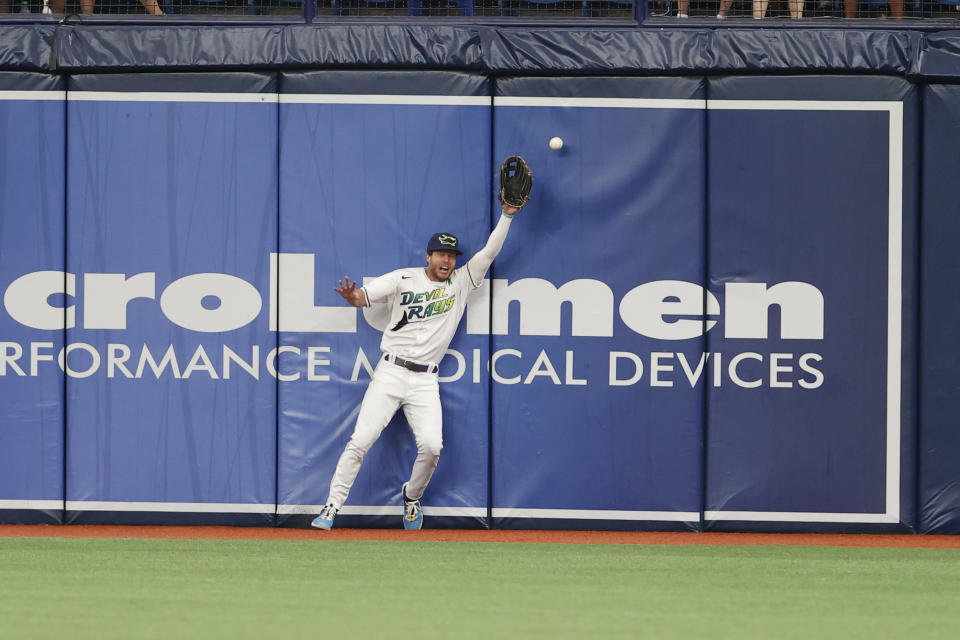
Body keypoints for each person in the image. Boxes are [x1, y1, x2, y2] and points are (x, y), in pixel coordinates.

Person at [311, 202, 523, 531]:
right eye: (441, 254)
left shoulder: (461, 283)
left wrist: (507, 216)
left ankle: (411, 498)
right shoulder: (403, 278)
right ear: (428, 256)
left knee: (433, 447)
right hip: (390, 372)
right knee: (361, 440)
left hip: (425, 380)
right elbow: (364, 297)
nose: (447, 260)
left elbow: (489, 252)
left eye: (452, 256)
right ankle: (331, 506)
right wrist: (353, 298)